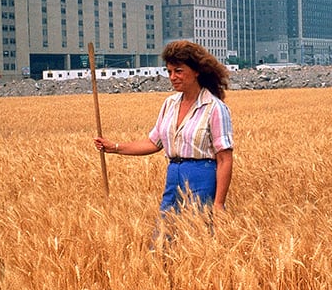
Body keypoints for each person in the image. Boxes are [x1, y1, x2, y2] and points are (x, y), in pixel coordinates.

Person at [94, 40, 234, 228]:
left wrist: (218, 204)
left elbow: (225, 158)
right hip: (173, 177)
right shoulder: (170, 104)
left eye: (178, 70)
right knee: (163, 237)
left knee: (198, 236)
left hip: (202, 177)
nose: (173, 77)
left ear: (196, 71)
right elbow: (154, 143)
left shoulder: (215, 108)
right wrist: (115, 147)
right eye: (169, 71)